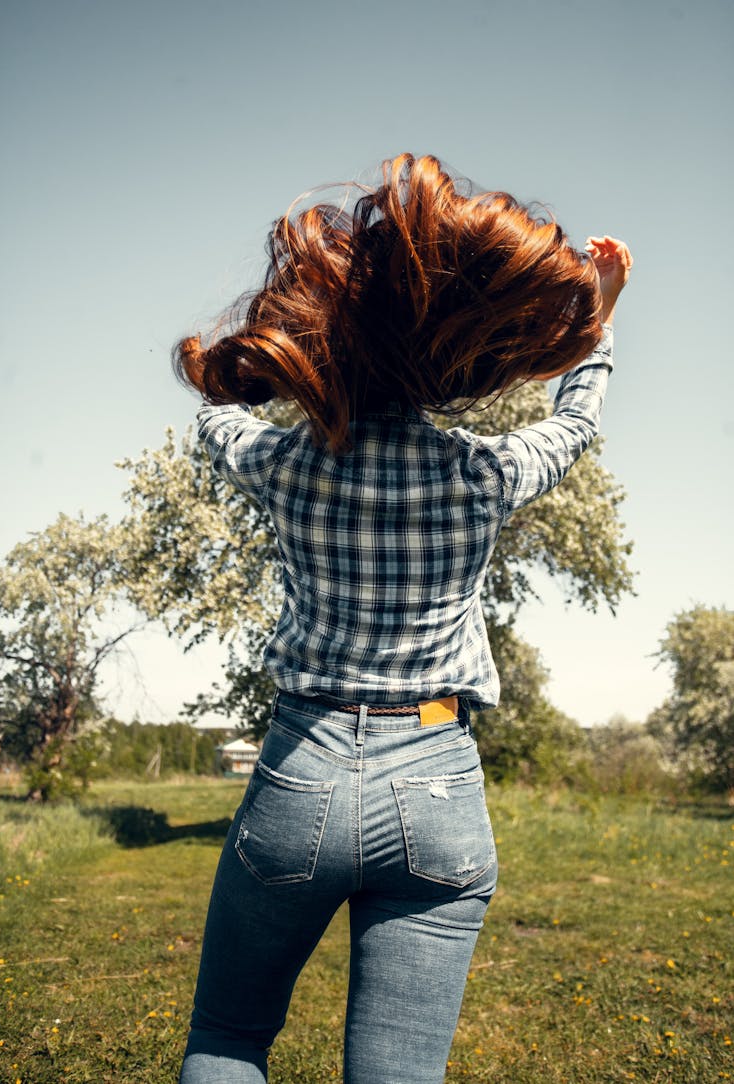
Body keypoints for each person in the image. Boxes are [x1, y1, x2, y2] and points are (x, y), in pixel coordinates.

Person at [174, 153, 633, 1084]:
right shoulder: (482, 476)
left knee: (228, 1038)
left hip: (299, 771)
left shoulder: (286, 466)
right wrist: (602, 319)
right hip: (437, 785)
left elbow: (213, 419)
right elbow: (575, 423)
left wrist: (268, 369)